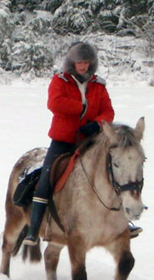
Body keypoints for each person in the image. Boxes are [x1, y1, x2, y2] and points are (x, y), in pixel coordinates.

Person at [21, 42, 140, 247]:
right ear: (72, 62)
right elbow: (55, 103)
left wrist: (97, 124)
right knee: (46, 179)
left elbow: (108, 111)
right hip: (63, 140)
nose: (83, 66)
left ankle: (122, 223)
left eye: (86, 62)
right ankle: (34, 228)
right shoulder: (60, 80)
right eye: (79, 62)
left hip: (91, 142)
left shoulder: (99, 84)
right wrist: (83, 108)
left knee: (112, 176)